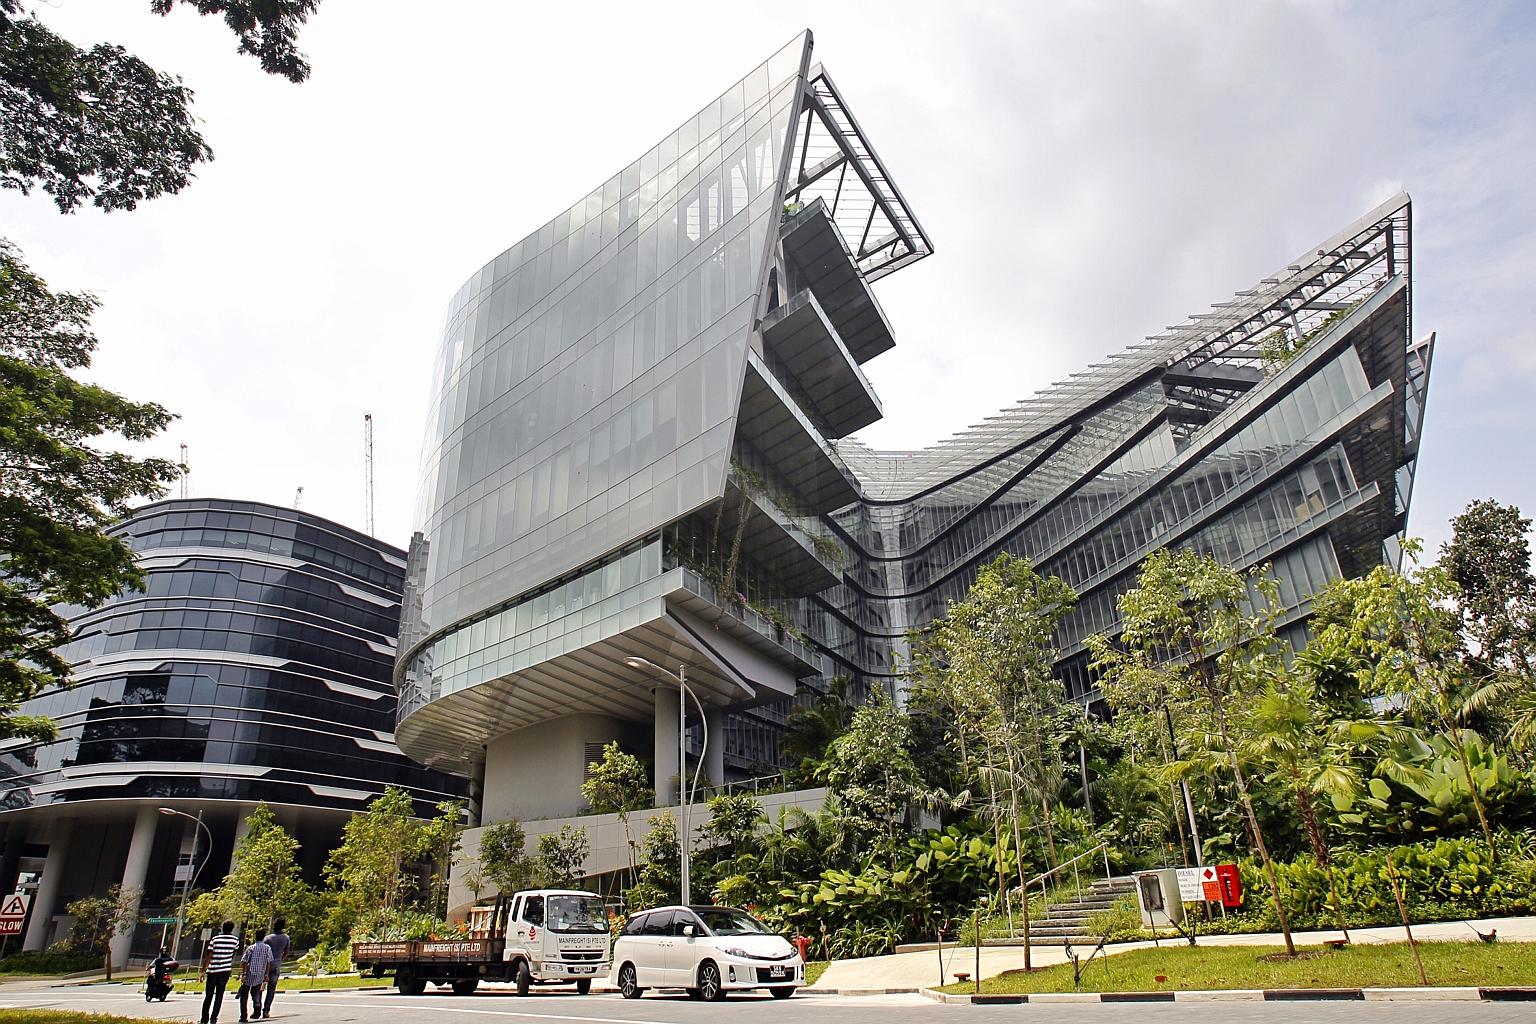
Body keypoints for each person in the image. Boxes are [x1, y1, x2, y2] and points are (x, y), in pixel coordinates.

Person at [200, 921, 240, 1024]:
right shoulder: (235, 940)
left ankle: (204, 1019)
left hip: (213, 971)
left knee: (208, 996)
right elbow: (233, 954)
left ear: (222, 928)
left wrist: (203, 971)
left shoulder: (215, 939)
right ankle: (214, 1018)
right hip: (225, 970)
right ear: (232, 929)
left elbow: (209, 956)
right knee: (219, 995)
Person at [237, 933, 274, 1022]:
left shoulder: (250, 948)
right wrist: (266, 974)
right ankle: (257, 1003)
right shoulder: (267, 948)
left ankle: (243, 1016)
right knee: (256, 991)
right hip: (260, 974)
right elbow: (268, 962)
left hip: (249, 974)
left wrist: (243, 973)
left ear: (255, 937)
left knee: (244, 995)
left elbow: (245, 961)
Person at [260, 917, 290, 1018]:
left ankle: (257, 1006)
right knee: (271, 989)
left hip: (265, 965)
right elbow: (286, 951)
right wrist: (280, 959)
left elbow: (263, 951)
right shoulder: (286, 938)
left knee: (260, 987)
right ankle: (266, 1010)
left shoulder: (267, 938)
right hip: (276, 965)